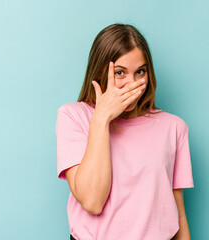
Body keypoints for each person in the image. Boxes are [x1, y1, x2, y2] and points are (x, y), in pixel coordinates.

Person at [55, 23, 194, 240]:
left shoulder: (174, 128)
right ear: (100, 71)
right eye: (120, 72)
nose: (133, 84)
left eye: (140, 72)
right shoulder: (73, 117)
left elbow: (179, 216)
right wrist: (101, 119)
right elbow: (92, 201)